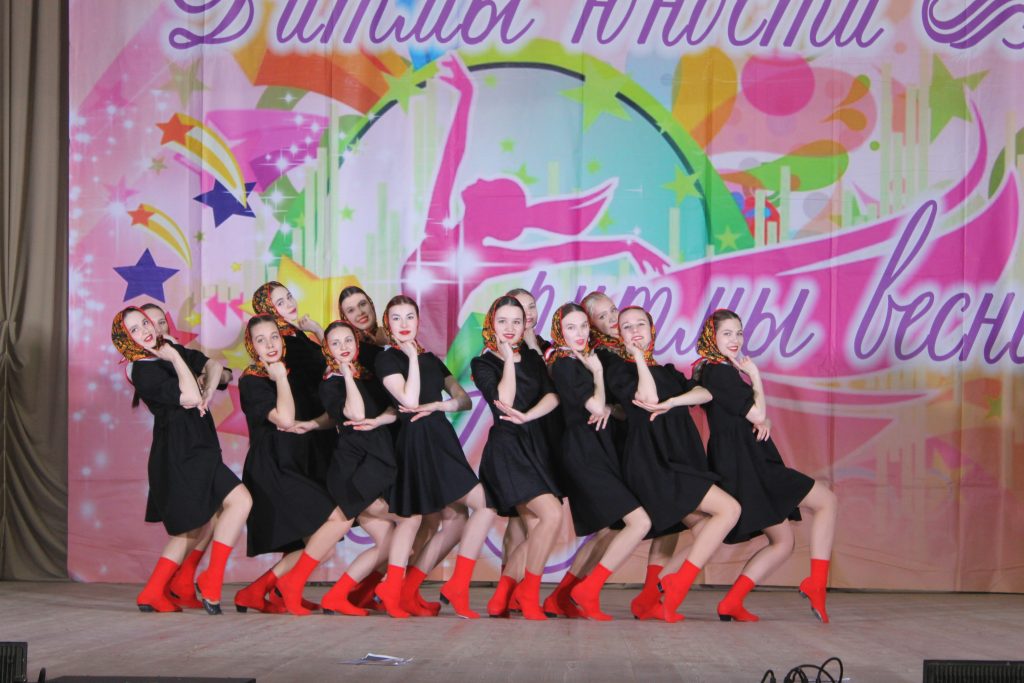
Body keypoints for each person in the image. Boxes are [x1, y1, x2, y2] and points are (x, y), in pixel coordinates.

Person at [693, 309, 838, 623]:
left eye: (739, 333)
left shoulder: (718, 370)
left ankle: (731, 603)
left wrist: (763, 417)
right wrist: (755, 375)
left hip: (745, 459)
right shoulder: (720, 371)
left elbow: (751, 416)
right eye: (727, 333)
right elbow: (756, 414)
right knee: (826, 500)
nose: (735, 340)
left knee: (783, 542)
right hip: (749, 464)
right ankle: (817, 585)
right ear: (712, 337)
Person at [111, 307, 250, 615]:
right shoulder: (141, 369)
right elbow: (188, 397)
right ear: (126, 339)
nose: (146, 330)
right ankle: (209, 579)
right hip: (180, 452)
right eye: (135, 329)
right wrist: (175, 358)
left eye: (145, 323)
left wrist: (208, 388)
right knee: (237, 503)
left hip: (200, 445)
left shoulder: (168, 350)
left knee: (193, 530)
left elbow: (215, 366)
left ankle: (154, 591)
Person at [607, 306, 742, 622]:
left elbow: (704, 394)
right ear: (620, 335)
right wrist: (638, 357)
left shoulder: (668, 371)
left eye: (641, 324)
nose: (636, 331)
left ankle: (650, 597)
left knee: (701, 528)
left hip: (682, 458)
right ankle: (673, 584)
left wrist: (674, 401)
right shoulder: (619, 370)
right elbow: (649, 399)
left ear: (652, 329)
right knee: (729, 510)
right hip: (656, 463)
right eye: (627, 327)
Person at [375, 295, 497, 618]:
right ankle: (426, 586)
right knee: (481, 504)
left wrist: (439, 404)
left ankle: (407, 589)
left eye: (410, 317)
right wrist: (412, 358)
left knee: (457, 519)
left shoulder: (430, 358)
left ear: (418, 320)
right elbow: (409, 400)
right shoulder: (387, 360)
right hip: (417, 442)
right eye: (396, 318)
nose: (404, 324)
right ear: (388, 324)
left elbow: (462, 399)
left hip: (442, 439)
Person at [233, 315, 350, 616]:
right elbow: (284, 420)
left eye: (274, 336)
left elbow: (322, 409)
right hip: (272, 467)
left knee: (321, 544)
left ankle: (259, 591)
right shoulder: (251, 380)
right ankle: (282, 587)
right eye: (261, 340)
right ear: (252, 346)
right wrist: (280, 379)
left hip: (298, 460)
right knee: (337, 520)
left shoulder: (292, 369)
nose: (270, 344)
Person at [543, 303, 653, 620]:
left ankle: (559, 598)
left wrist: (609, 402)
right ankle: (587, 591)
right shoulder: (564, 363)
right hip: (583, 452)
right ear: (560, 332)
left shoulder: (584, 358)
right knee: (639, 522)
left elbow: (613, 410)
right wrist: (599, 373)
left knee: (610, 529)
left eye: (583, 327)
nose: (579, 333)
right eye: (571, 328)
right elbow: (595, 406)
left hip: (599, 448)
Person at [315, 320, 423, 616]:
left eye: (348, 340)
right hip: (353, 474)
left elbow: (392, 410)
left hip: (376, 468)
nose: (343, 347)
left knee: (388, 544)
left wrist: (378, 421)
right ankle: (391, 590)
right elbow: (356, 412)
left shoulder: (369, 374)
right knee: (410, 518)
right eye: (335, 343)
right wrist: (346, 373)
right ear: (327, 349)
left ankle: (336, 596)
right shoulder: (330, 384)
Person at [471, 296, 563, 620]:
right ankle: (528, 595)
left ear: (525, 325)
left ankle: (503, 596)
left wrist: (529, 416)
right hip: (507, 450)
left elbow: (552, 396)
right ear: (491, 324)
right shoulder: (482, 363)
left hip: (534, 445)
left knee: (539, 526)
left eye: (516, 321)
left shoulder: (534, 359)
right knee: (551, 515)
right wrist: (509, 358)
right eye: (502, 321)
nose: (509, 328)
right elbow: (504, 401)